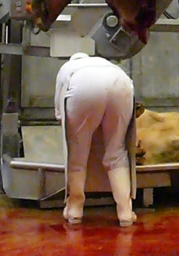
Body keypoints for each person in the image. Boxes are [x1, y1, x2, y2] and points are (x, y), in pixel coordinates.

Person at [55, 52, 137, 226]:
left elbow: (59, 114)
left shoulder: (66, 69)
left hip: (83, 88)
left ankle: (75, 208)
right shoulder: (106, 63)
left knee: (77, 154)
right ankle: (125, 212)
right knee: (117, 151)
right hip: (122, 84)